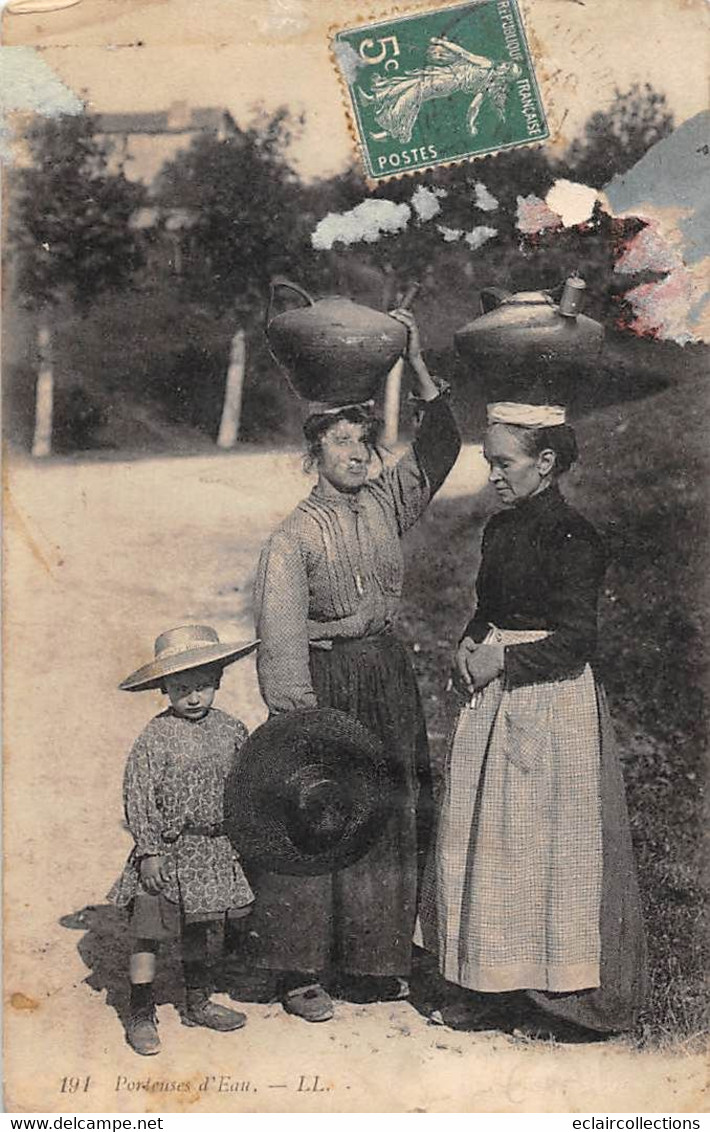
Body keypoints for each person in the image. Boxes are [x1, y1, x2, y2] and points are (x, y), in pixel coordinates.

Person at [250, 309, 461, 1022]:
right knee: (318, 811)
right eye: (342, 440)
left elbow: (442, 444)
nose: (357, 452)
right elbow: (280, 640)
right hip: (327, 685)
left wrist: (415, 355)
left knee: (390, 813)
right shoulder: (292, 538)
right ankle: (302, 969)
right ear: (315, 450)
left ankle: (374, 960)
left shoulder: (385, 503)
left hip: (385, 676)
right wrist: (298, 717)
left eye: (365, 439)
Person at [416, 401, 648, 1037]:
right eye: (488, 462)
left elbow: (576, 639)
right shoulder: (499, 529)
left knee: (545, 848)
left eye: (503, 463)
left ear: (545, 463)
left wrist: (503, 663)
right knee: (489, 842)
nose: (492, 475)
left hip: (550, 702)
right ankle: (486, 983)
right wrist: (468, 640)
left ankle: (554, 998)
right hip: (496, 699)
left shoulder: (576, 537)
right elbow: (487, 605)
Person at [108, 624, 258, 1055]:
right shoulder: (155, 737)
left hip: (211, 849)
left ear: (218, 682)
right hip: (168, 850)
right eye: (181, 688)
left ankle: (198, 1000)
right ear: (165, 690)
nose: (193, 697)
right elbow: (137, 795)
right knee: (148, 929)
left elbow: (246, 785)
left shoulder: (232, 730)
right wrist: (150, 852)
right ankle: (140, 1010)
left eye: (203, 686)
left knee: (202, 926)